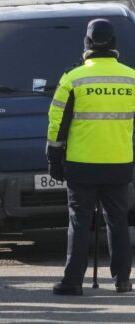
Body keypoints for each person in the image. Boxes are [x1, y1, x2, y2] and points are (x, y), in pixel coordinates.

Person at [47, 19, 134, 296]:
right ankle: (122, 280)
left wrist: (54, 157)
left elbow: (57, 123)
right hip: (119, 163)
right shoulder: (131, 78)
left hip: (81, 164)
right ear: (114, 44)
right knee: (118, 221)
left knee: (79, 222)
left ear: (87, 43)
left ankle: (73, 281)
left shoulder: (73, 78)